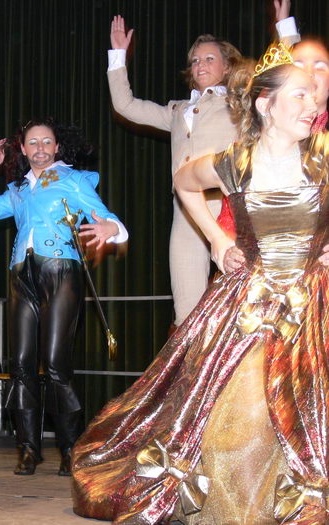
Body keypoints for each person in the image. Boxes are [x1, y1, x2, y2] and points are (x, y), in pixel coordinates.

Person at [72, 43, 329, 524]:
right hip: (252, 300)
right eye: (298, 95)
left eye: (312, 95)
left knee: (310, 413)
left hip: (313, 301)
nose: (311, 104)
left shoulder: (321, 156)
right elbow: (185, 183)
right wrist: (214, 237)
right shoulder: (236, 161)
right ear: (264, 104)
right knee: (241, 414)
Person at [106, 4, 297, 328]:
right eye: (195, 60)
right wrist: (118, 56)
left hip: (230, 205)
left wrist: (284, 27)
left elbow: (285, 77)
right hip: (187, 210)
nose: (200, 65)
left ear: (226, 67)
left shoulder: (239, 100)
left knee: (247, 293)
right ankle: (191, 375)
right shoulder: (177, 110)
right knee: (186, 306)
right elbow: (125, 105)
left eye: (209, 58)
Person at [0, 118, 128, 476]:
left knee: (56, 364)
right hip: (21, 274)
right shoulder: (19, 189)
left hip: (61, 271)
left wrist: (111, 227)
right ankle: (28, 449)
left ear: (56, 147)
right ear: (23, 150)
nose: (40, 148)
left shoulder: (72, 180)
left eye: (46, 142)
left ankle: (71, 448)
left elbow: (105, 215)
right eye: (32, 143)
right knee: (21, 365)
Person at [217, 35, 329, 244]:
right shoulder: (251, 152)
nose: (309, 72)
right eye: (298, 64)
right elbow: (232, 218)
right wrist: (223, 242)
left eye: (320, 64)